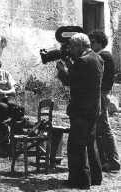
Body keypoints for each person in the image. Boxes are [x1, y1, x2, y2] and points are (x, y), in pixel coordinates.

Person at [56, 33, 103, 189]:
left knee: (77, 144)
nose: (71, 49)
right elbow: (83, 78)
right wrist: (71, 64)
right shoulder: (96, 58)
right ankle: (95, 177)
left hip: (81, 109)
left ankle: (80, 180)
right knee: (90, 142)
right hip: (93, 108)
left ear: (79, 45)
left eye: (72, 46)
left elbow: (71, 81)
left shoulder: (82, 61)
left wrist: (62, 70)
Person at [88, 30, 120, 172]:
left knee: (104, 128)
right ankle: (107, 159)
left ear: (100, 43)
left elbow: (104, 79)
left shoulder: (103, 56)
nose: (91, 45)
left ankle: (113, 161)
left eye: (93, 43)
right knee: (101, 128)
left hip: (100, 94)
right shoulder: (102, 55)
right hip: (101, 94)